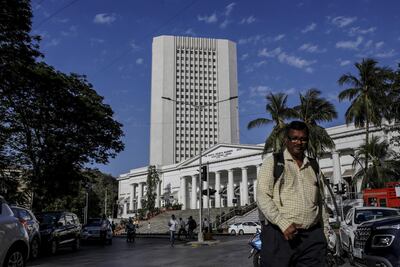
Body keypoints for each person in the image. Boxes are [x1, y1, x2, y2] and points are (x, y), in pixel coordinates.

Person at [257, 121, 329, 267]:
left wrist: (325, 234)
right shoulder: (273, 162)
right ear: (286, 140)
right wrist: (283, 224)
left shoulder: (313, 166)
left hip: (312, 238)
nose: (299, 142)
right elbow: (262, 196)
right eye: (294, 138)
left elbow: (320, 203)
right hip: (280, 235)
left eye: (303, 139)